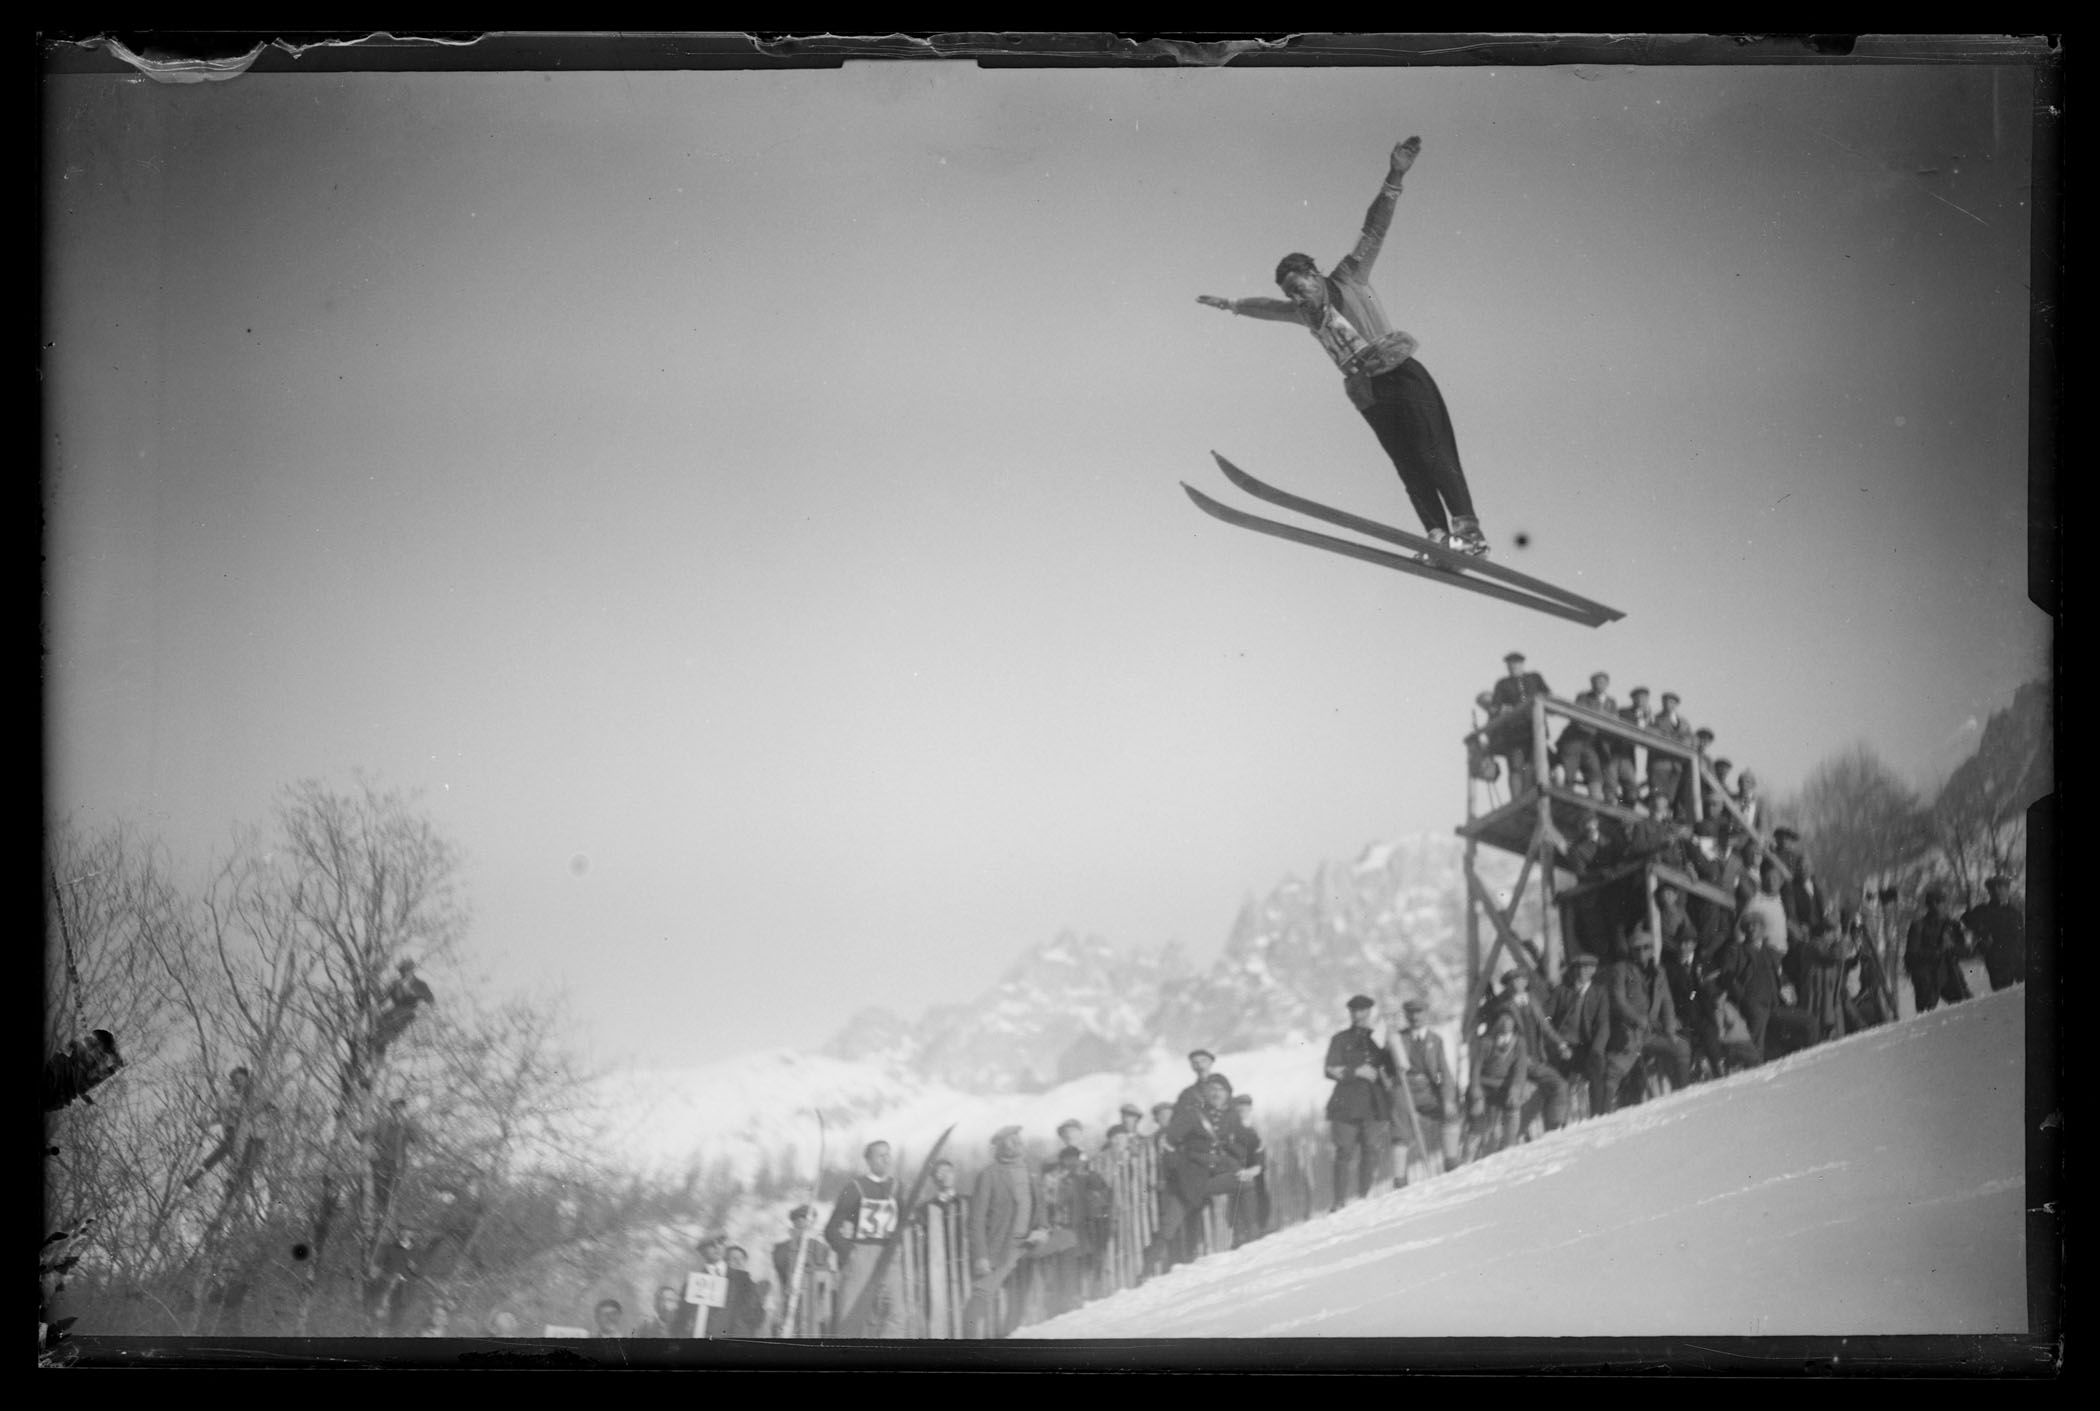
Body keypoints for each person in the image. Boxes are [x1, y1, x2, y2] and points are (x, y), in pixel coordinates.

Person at [1196, 135, 1490, 558]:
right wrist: (1233, 305)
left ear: (1315, 276)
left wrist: (1394, 176)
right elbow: (1268, 308)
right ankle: (1438, 537)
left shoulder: (1348, 278)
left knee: (1431, 451)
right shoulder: (1303, 314)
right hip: (1371, 395)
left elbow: (1374, 230)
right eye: (1291, 295)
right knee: (1407, 465)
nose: (1298, 300)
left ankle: (1469, 532)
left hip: (1401, 375)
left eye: (1300, 289)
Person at [1149, 1076, 1261, 1262]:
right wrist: (1178, 1167)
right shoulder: (1194, 1115)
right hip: (1189, 1179)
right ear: (1206, 1093)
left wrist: (1256, 1166)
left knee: (1246, 1182)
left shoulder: (1231, 1117)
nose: (1216, 1094)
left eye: (1221, 1090)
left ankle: (1253, 1237)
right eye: (1212, 1090)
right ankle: (1146, 1273)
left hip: (1213, 1179)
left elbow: (1252, 1142)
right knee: (1168, 1228)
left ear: (1227, 1095)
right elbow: (1167, 1141)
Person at [963, 1126, 1049, 1339]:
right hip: (1003, 1245)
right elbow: (976, 1219)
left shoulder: (1030, 1170)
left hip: (1029, 1243)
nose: (1017, 1144)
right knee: (983, 1293)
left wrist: (1042, 1228)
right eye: (1010, 1141)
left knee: (1019, 1296)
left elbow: (1039, 1204)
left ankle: (1007, 1340)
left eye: (1019, 1140)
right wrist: (981, 1256)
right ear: (999, 1147)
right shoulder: (989, 1175)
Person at [1599, 926, 1691, 1112]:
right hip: (1627, 1030)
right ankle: (1603, 1113)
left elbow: (1667, 1002)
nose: (1642, 953)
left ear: (1651, 949)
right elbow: (1618, 1001)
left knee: (1681, 1047)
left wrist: (1670, 1029)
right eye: (1637, 949)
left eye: (1646, 948)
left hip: (1651, 1031)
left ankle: (1685, 1096)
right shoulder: (1621, 970)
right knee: (1615, 1068)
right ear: (1631, 951)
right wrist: (1637, 1020)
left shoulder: (1658, 972)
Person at [1323, 994, 1399, 1210]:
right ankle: (1339, 1203)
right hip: (1345, 1106)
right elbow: (1330, 1070)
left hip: (1373, 1107)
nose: (1358, 1015)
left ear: (1369, 1013)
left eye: (1363, 1011)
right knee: (1344, 1153)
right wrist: (1357, 1071)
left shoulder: (1375, 1043)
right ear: (1350, 1013)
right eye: (1354, 1011)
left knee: (1371, 1150)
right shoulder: (1339, 1040)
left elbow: (1390, 1072)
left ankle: (1363, 1198)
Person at [826, 1141, 905, 1337]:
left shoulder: (897, 1187)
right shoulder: (855, 1187)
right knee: (851, 1312)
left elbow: (904, 1219)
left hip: (889, 1255)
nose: (886, 1159)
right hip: (862, 1253)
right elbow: (831, 1229)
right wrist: (849, 1253)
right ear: (868, 1160)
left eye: (888, 1154)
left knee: (897, 1313)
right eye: (880, 1155)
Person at [1487, 967, 1571, 1131]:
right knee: (1558, 1084)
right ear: (1508, 986)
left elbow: (1545, 1027)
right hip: (1521, 1061)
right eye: (1513, 982)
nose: (1518, 984)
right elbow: (1503, 1040)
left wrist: (1561, 1044)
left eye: (1521, 980)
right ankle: (1555, 1126)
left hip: (1538, 1056)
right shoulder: (1504, 1008)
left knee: (1545, 1090)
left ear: (1526, 982)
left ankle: (1544, 1127)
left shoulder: (1532, 1000)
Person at [1393, 999, 1461, 1177]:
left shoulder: (1435, 1040)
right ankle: (1400, 1179)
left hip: (1427, 1091)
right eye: (1411, 1014)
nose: (1415, 1017)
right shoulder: (1397, 1039)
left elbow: (1444, 1071)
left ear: (1425, 1014)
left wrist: (1448, 1100)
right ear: (1407, 1016)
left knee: (1451, 1114)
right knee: (1400, 1131)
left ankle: (1451, 1162)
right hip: (1403, 1090)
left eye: (1419, 1013)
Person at [1547, 952, 1611, 1116]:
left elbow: (1603, 1023)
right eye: (1578, 968)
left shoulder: (1599, 993)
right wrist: (1558, 1044)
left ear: (1593, 971)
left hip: (1587, 1046)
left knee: (1597, 1071)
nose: (1582, 972)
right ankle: (1556, 1123)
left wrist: (1597, 1049)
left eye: (1587, 968)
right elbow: (1546, 1019)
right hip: (1564, 1046)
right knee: (1556, 1082)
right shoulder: (1561, 991)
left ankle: (1598, 1116)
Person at [1467, 1012, 1530, 1153]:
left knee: (1513, 1110)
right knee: (1478, 1123)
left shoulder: (1519, 1044)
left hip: (1504, 1088)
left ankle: (1509, 1147)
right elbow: (1475, 1070)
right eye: (1501, 1035)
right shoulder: (1485, 1043)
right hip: (1484, 1088)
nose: (1504, 1039)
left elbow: (1520, 1070)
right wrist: (1476, 1094)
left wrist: (1515, 1090)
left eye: (1507, 1035)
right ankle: (1468, 1158)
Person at [770, 1204, 837, 1336]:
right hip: (790, 1302)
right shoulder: (781, 1248)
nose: (805, 1226)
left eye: (809, 1222)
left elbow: (826, 1278)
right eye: (801, 1223)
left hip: (813, 1304)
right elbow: (781, 1273)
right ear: (794, 1223)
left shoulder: (821, 1248)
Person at [1904, 886, 1973, 1013]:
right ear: (1932, 905)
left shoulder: (1952, 925)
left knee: (1969, 1006)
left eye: (1943, 903)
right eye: (1940, 903)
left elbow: (1966, 952)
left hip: (1949, 972)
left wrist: (1955, 946)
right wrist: (1937, 951)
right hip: (1927, 977)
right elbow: (1911, 956)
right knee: (1926, 1014)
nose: (1943, 907)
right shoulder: (1919, 926)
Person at [1964, 875, 2026, 992]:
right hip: (1997, 962)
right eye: (1993, 889)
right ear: (1989, 892)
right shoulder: (1982, 910)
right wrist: (1981, 933)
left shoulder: (2015, 912)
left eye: (2001, 887)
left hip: (2018, 960)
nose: (1997, 891)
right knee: (2002, 996)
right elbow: (1967, 920)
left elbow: (2021, 937)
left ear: (2007, 890)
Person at [1561, 672, 1618, 798]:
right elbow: (1580, 719)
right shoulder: (1583, 697)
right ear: (1592, 684)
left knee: (1595, 774)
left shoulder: (1611, 702)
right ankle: (1566, 800)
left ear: (1607, 684)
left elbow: (1614, 721)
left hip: (1594, 744)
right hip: (1576, 741)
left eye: (1602, 682)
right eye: (1596, 682)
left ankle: (1596, 802)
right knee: (1570, 773)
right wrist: (1601, 718)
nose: (1599, 685)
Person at [1227, 1093, 1274, 1241]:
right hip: (1236, 1171)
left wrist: (1256, 1167)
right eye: (1239, 1108)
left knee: (1258, 1199)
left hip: (1255, 1170)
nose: (1242, 1111)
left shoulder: (1255, 1127)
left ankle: (1258, 1229)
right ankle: (1239, 1235)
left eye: (1245, 1108)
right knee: (1236, 1203)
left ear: (1250, 1109)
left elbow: (1261, 1148)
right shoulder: (1230, 1129)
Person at [372, 959, 436, 1059]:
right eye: (401, 971)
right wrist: (375, 985)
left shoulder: (421, 985)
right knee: (379, 1023)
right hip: (396, 1011)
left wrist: (423, 1007)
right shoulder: (395, 984)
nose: (403, 973)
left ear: (411, 971)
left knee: (390, 1022)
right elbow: (382, 1000)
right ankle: (377, 1053)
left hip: (410, 1012)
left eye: (406, 970)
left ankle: (380, 1050)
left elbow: (431, 1001)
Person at [369, 1096, 419, 1222]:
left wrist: (408, 1125)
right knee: (378, 1187)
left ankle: (384, 1215)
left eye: (401, 1109)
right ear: (391, 1110)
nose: (398, 1111)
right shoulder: (383, 1123)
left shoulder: (406, 1125)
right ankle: (376, 1212)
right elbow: (370, 1133)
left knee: (390, 1192)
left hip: (397, 1163)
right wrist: (361, 1134)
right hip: (382, 1160)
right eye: (396, 1109)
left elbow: (415, 1138)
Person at [1611, 688, 1655, 807]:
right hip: (1617, 754)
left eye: (1645, 698)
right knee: (1612, 784)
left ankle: (1627, 811)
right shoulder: (1624, 712)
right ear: (1633, 699)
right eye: (1639, 698)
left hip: (1634, 758)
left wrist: (1647, 719)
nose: (1642, 701)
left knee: (1631, 790)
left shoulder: (1650, 718)